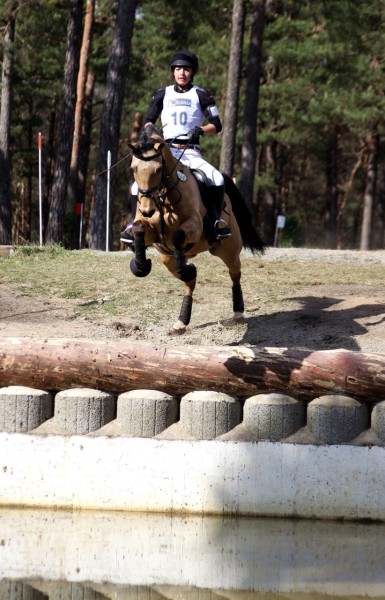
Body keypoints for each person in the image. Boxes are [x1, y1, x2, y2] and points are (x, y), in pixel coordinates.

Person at [120, 49, 231, 246]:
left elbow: (217, 124)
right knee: (136, 186)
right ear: (173, 72)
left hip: (190, 152)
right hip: (166, 152)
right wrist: (149, 133)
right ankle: (133, 223)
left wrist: (202, 130)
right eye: (178, 69)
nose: (182, 73)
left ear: (192, 72)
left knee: (216, 177)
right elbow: (148, 121)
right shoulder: (163, 93)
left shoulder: (202, 94)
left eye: (186, 69)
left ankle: (215, 222)